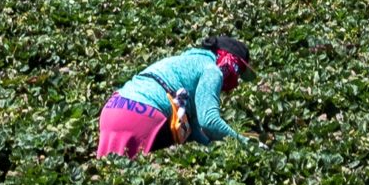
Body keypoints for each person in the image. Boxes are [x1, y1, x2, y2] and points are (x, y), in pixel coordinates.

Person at [96, 37, 257, 157]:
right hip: (143, 115)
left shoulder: (184, 62)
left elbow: (192, 130)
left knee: (111, 170)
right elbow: (209, 122)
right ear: (229, 60)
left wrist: (211, 147)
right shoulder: (211, 70)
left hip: (113, 107)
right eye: (239, 71)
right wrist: (247, 145)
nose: (235, 80)